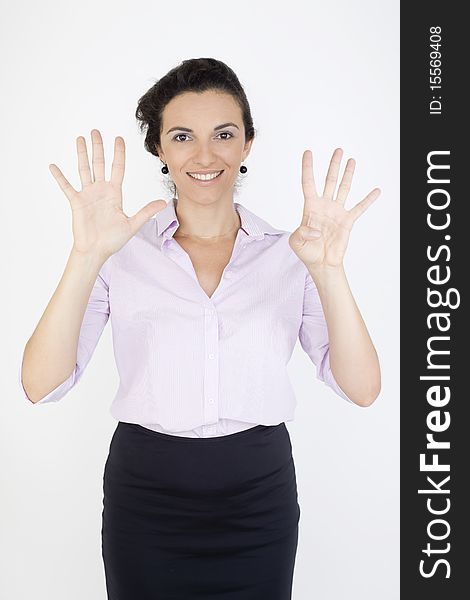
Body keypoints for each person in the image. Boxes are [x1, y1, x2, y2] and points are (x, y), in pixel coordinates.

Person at [19, 57, 381, 599]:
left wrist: (329, 270)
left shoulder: (294, 254)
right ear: (159, 150)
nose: (205, 155)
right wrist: (85, 255)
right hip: (148, 492)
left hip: (258, 492)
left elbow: (362, 388)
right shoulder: (120, 254)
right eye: (183, 136)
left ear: (248, 144)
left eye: (224, 134)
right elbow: (39, 383)